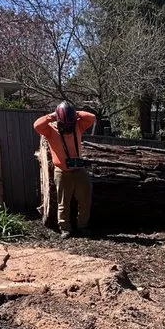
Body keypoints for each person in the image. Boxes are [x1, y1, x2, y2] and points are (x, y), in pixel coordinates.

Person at [34, 102, 96, 239]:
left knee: (85, 199)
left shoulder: (78, 125)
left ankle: (83, 226)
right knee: (63, 202)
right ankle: (65, 228)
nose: (68, 126)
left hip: (79, 169)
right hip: (62, 171)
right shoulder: (50, 130)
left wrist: (76, 113)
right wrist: (52, 116)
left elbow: (91, 117)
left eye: (70, 123)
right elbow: (37, 125)